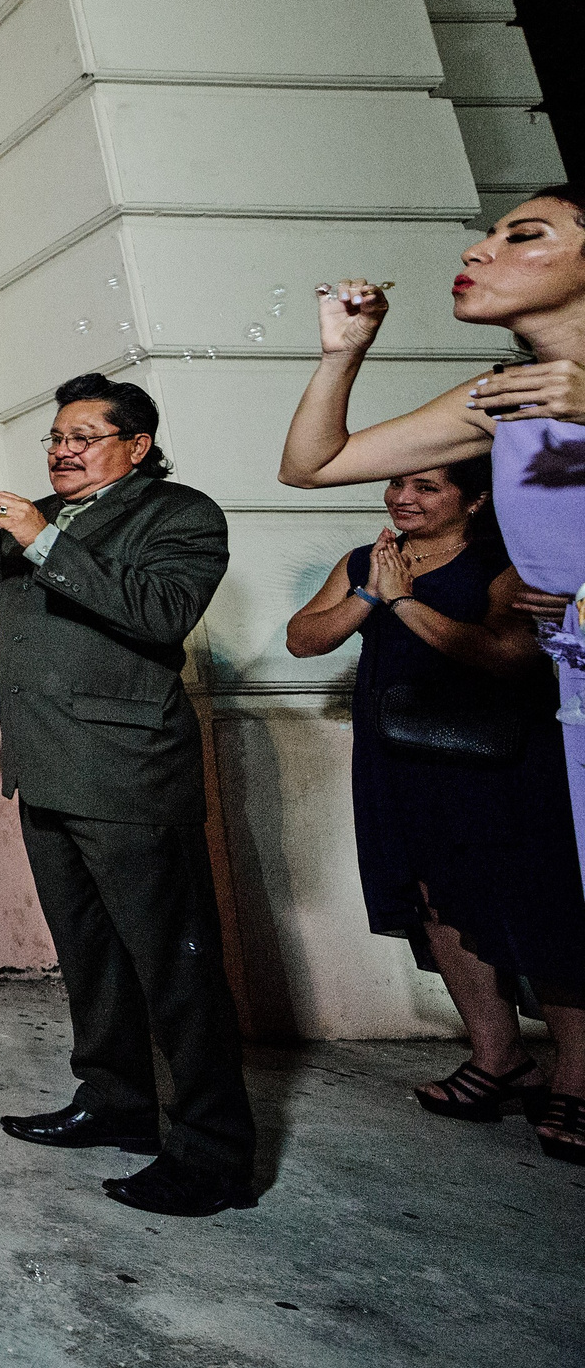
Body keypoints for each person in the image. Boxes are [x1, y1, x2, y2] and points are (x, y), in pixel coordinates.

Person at [278, 187, 585, 1164]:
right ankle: (508, 1061)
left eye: (523, 235)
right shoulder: (502, 394)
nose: (480, 248)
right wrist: (343, 354)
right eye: (486, 233)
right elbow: (311, 464)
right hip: (567, 700)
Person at [0, 372, 254, 1217]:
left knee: (176, 970)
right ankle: (116, 1102)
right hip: (45, 769)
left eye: (83, 437)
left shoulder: (181, 514)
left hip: (129, 773)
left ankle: (212, 1154)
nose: (62, 451)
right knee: (91, 957)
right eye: (56, 438)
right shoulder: (37, 515)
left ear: (136, 445)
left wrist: (43, 540)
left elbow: (160, 612)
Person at [284, 460, 585, 1151]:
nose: (402, 497)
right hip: (399, 759)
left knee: (534, 911)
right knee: (435, 902)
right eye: (397, 484)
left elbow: (507, 655)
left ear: (474, 499)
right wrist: (371, 592)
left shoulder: (505, 565)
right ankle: (499, 1058)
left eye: (426, 486)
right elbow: (304, 638)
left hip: (494, 763)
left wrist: (403, 605)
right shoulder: (368, 559)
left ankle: (576, 1079)